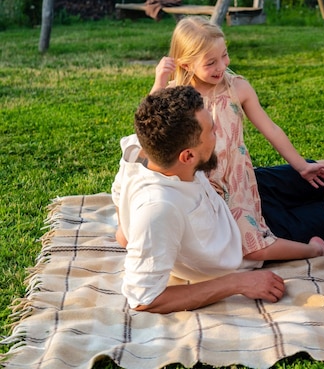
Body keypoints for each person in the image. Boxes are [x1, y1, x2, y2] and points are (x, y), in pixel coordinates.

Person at [151, 16, 324, 257]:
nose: (221, 66)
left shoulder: (237, 87)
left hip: (244, 180)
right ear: (186, 65)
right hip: (220, 198)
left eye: (224, 55)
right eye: (211, 63)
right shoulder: (176, 98)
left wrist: (301, 166)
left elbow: (271, 129)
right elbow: (151, 132)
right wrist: (159, 83)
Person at [112, 86, 285, 313]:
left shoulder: (140, 148)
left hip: (229, 193)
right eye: (212, 131)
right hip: (252, 234)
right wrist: (238, 283)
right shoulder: (159, 210)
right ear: (188, 156)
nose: (218, 135)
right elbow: (145, 299)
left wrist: (126, 231)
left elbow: (118, 195)